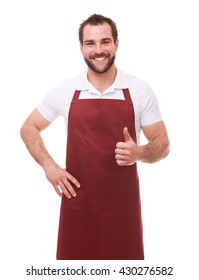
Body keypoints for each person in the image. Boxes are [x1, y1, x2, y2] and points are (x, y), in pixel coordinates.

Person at [20, 14, 170, 260]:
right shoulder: (66, 90)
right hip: (76, 209)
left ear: (117, 44)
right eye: (90, 43)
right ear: (81, 47)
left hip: (123, 213)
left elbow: (163, 145)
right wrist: (50, 167)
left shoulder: (139, 89)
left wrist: (140, 152)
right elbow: (28, 128)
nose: (98, 50)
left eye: (105, 42)